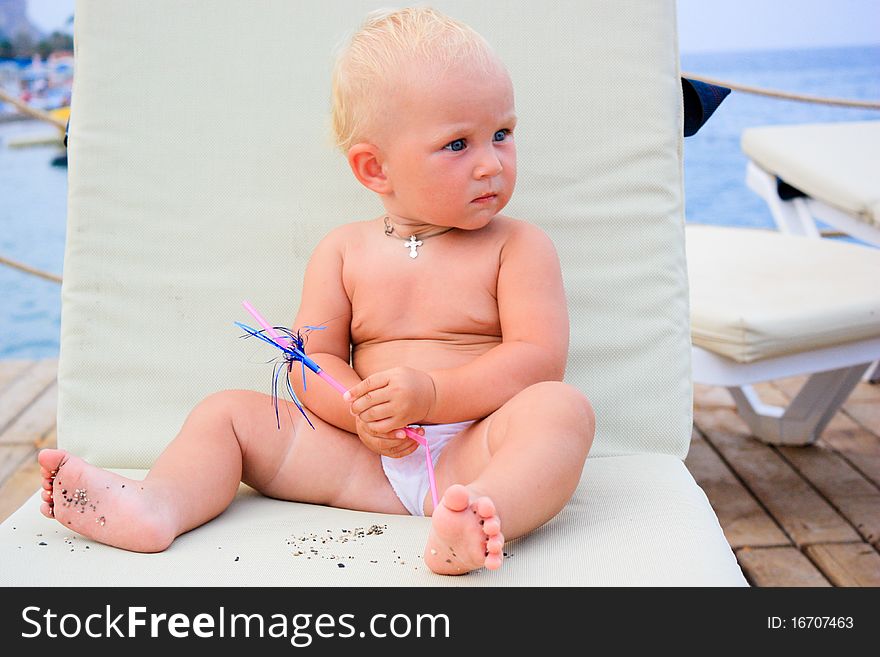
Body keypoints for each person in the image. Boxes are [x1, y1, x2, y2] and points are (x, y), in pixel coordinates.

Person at [38, 7, 594, 575]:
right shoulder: (342, 251)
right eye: (458, 145)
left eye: (502, 134)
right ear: (375, 169)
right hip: (362, 461)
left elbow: (537, 360)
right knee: (226, 412)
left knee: (561, 410)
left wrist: (431, 396)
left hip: (476, 450)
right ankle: (158, 505)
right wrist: (359, 412)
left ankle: (477, 517)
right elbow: (310, 361)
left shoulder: (517, 247)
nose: (489, 165)